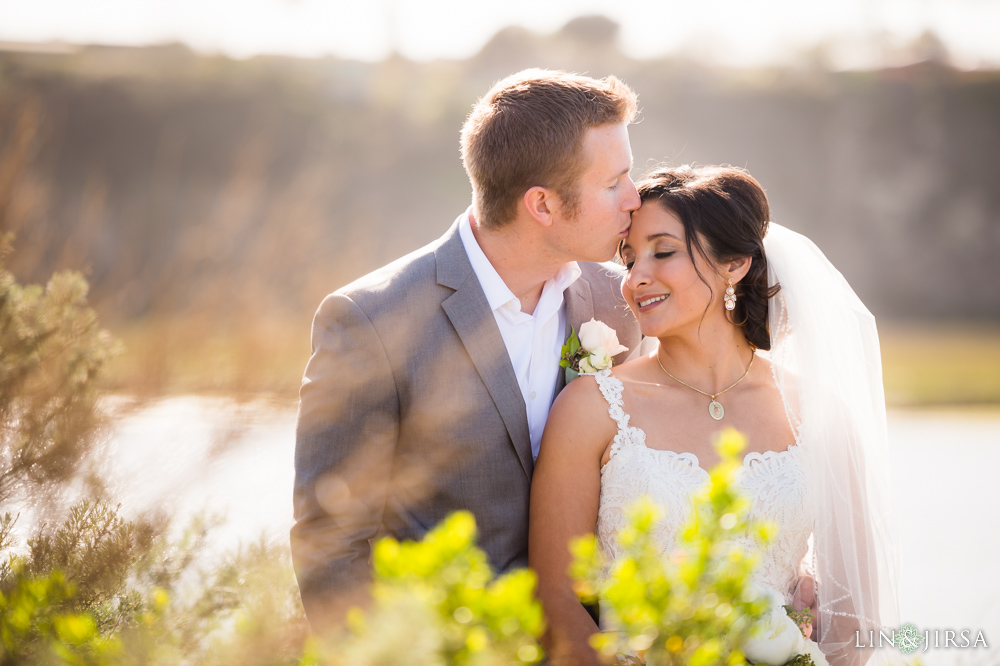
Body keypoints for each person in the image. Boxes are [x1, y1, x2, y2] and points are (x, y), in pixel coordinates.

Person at [291, 69, 644, 630]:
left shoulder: (619, 301)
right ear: (543, 205)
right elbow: (331, 544)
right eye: (614, 183)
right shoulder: (371, 320)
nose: (635, 198)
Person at [529, 165, 899, 666]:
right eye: (628, 257)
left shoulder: (818, 411)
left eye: (663, 252)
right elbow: (557, 600)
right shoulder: (592, 408)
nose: (636, 278)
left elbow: (855, 612)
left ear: (736, 265)